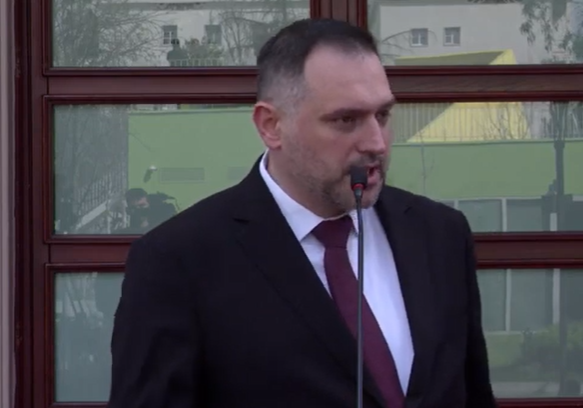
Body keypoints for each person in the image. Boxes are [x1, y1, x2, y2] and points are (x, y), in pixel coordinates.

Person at [108, 18, 498, 408]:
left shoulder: (440, 235)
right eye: (346, 120)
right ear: (271, 126)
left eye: (382, 115)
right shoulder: (179, 262)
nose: (376, 143)